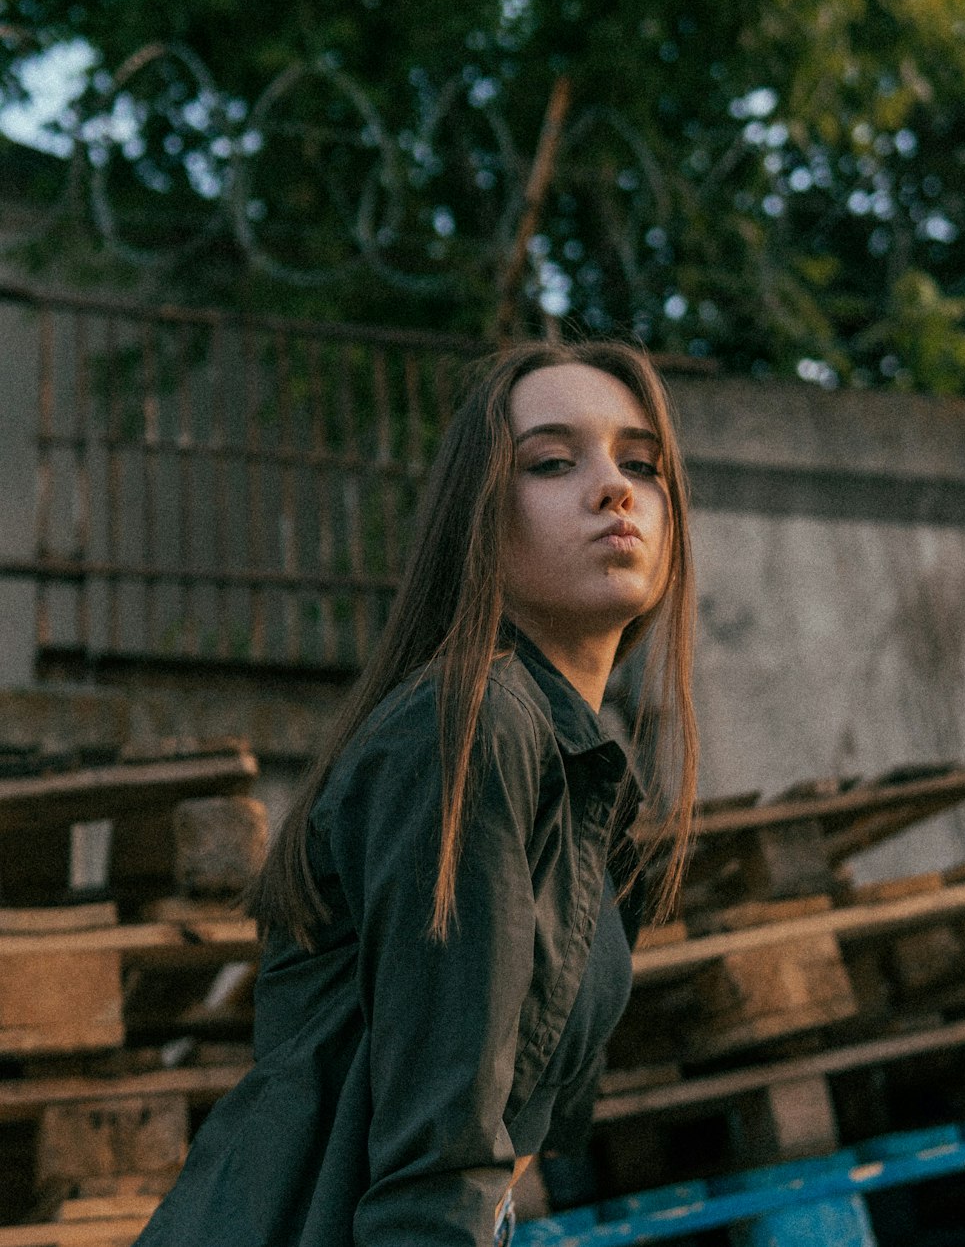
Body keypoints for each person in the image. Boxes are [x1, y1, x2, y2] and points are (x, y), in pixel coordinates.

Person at [133, 339, 698, 1247]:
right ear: (476, 520)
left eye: (641, 464)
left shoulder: (580, 772)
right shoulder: (470, 727)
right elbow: (438, 1161)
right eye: (553, 462)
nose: (613, 488)